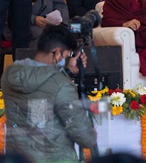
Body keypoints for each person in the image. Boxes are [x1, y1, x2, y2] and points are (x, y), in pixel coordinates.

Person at [1, 25, 97, 162]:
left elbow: (41, 88)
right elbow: (85, 137)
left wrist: (67, 70)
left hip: (19, 157)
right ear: (56, 53)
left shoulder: (9, 74)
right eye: (65, 55)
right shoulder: (61, 84)